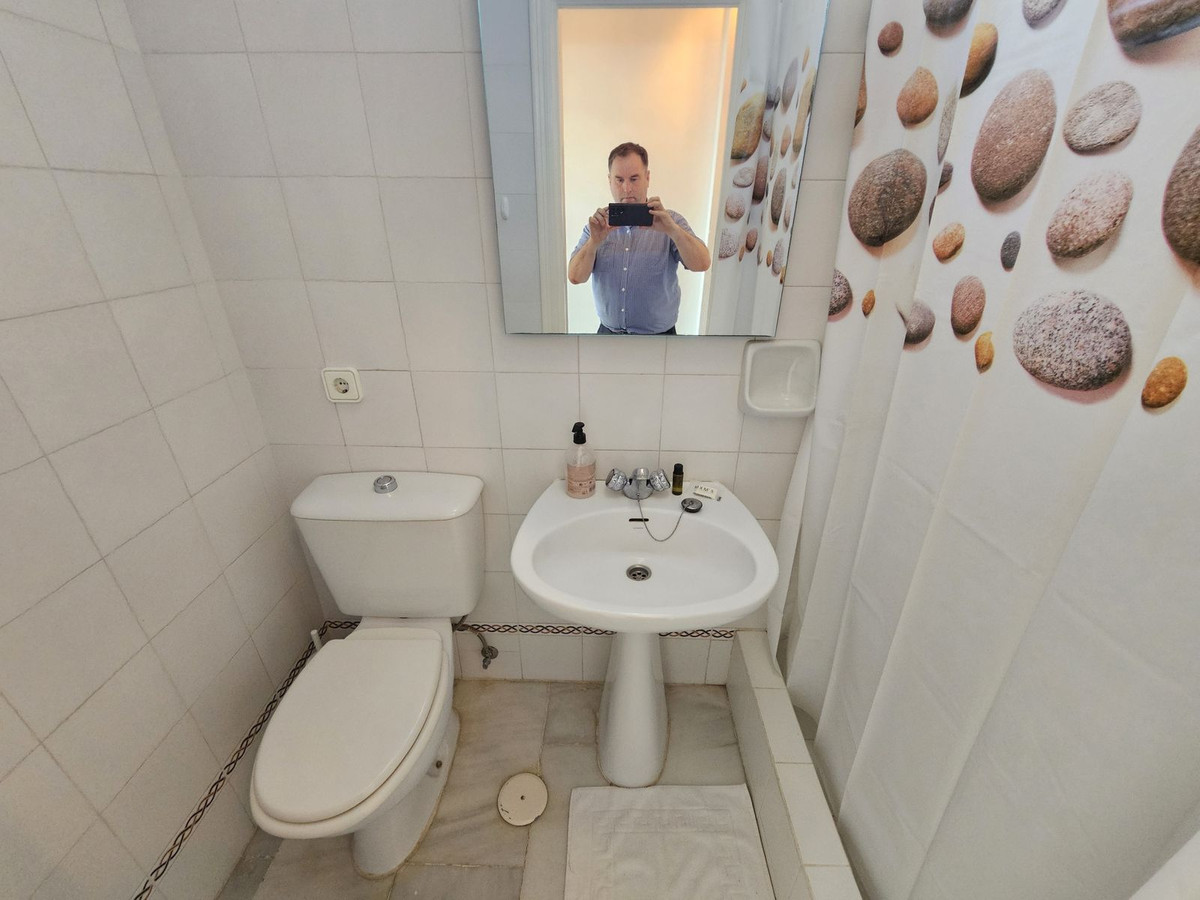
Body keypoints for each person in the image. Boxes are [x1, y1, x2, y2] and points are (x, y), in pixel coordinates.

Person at [568, 142, 711, 334]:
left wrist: (673, 231)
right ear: (609, 180)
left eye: (634, 179)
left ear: (647, 178)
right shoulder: (598, 226)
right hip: (607, 335)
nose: (627, 189)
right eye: (619, 180)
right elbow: (575, 277)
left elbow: (702, 264)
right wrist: (594, 243)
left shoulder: (670, 221)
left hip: (659, 339)